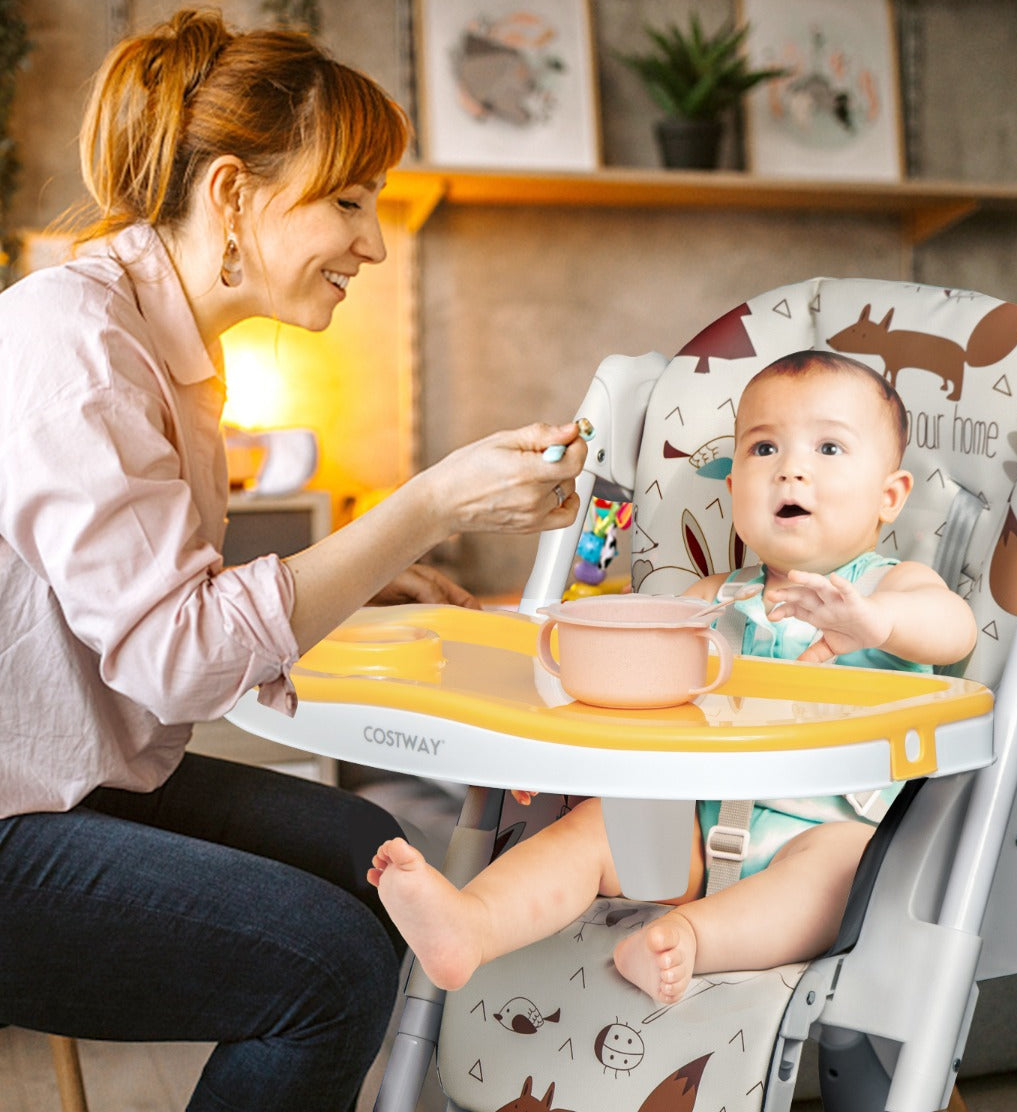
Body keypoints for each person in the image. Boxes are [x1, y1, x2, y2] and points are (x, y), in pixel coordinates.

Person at [0, 7, 585, 1112]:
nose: (371, 243)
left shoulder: (165, 350)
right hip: (15, 813)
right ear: (231, 195)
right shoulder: (72, 342)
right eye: (351, 202)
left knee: (377, 859)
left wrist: (360, 576)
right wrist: (426, 505)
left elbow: (155, 605)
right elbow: (176, 661)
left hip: (65, 781)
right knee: (326, 970)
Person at [368, 350, 978, 1004]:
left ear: (889, 497)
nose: (791, 468)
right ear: (734, 483)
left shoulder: (894, 588)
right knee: (595, 827)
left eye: (829, 448)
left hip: (819, 835)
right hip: (691, 831)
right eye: (764, 448)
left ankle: (689, 937)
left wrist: (875, 623)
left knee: (844, 869)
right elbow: (629, 687)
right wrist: (551, 753)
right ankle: (471, 925)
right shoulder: (712, 597)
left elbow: (955, 629)